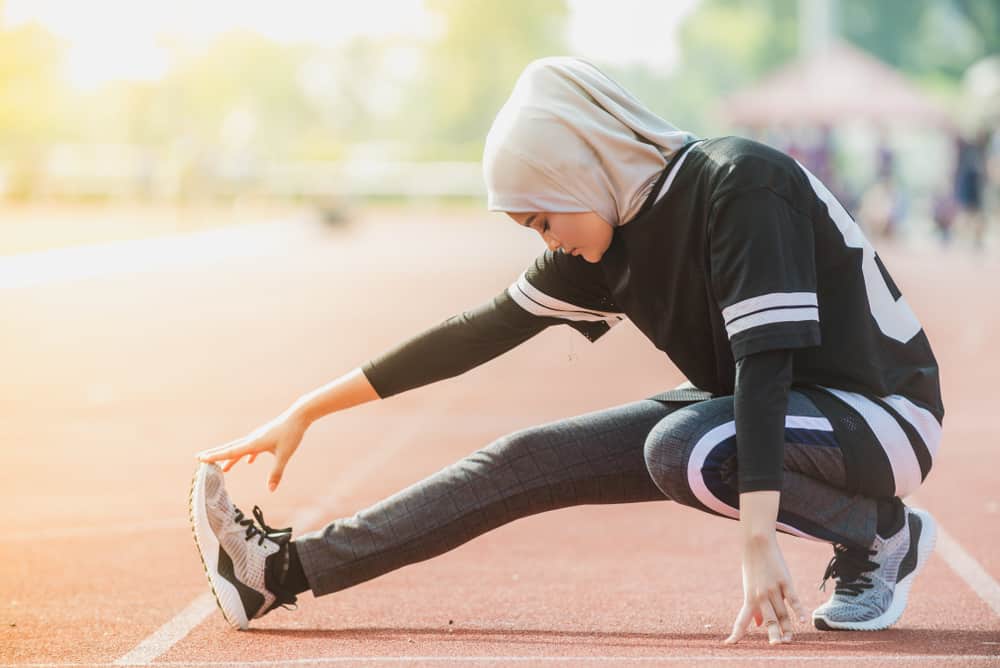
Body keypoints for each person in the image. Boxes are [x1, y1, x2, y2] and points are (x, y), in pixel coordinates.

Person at [190, 57, 944, 645]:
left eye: (541, 218)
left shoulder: (737, 185)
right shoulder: (602, 247)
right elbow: (470, 334)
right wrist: (308, 409)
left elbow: (764, 368)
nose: (546, 241)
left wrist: (757, 543)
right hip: (761, 417)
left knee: (685, 448)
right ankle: (278, 572)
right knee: (526, 458)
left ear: (581, 167)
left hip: (885, 416)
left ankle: (881, 534)